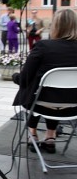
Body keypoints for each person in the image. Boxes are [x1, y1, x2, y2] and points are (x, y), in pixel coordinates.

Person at [13, 9, 77, 154]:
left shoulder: (44, 46)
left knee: (34, 89)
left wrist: (15, 77)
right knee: (56, 93)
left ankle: (33, 134)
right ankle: (50, 137)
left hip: (41, 104)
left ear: (56, 26)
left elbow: (25, 78)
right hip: (73, 106)